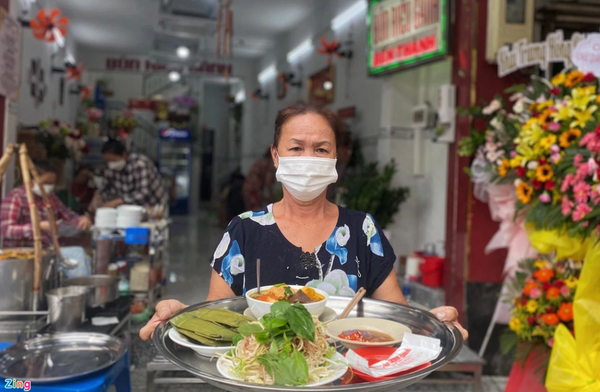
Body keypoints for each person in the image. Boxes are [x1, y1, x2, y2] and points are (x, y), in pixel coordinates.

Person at [140, 103, 468, 341]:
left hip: (347, 379)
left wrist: (433, 323)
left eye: (321, 149)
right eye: (295, 148)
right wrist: (181, 318)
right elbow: (217, 316)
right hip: (262, 377)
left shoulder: (362, 231)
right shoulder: (243, 229)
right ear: (275, 155)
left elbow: (397, 318)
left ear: (337, 157)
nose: (308, 160)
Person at [1, 159, 92, 248]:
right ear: (31, 180)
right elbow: (6, 230)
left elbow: (68, 215)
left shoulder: (51, 197)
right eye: (45, 183)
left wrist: (81, 219)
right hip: (22, 254)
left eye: (52, 183)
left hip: (47, 250)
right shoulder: (16, 197)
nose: (48, 187)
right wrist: (37, 227)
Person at [91, 140, 168, 210]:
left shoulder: (140, 164)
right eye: (107, 161)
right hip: (129, 208)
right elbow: (105, 188)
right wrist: (98, 197)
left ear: (124, 155)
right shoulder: (110, 169)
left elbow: (143, 193)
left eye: (113, 160)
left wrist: (117, 202)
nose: (111, 164)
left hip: (153, 206)